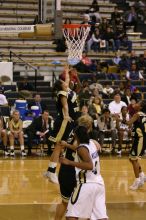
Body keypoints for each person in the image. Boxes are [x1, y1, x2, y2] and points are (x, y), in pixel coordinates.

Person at [60, 126, 108, 220]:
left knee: (71, 215)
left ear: (77, 136)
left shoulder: (82, 148)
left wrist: (69, 162)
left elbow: (90, 166)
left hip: (86, 184)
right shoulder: (92, 143)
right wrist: (67, 145)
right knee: (100, 216)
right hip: (99, 184)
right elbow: (81, 150)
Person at [55, 114, 95, 220]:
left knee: (65, 202)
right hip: (72, 171)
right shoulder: (81, 135)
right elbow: (78, 147)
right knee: (76, 204)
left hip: (64, 170)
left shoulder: (73, 131)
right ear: (89, 125)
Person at [44, 66, 80, 184]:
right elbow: (65, 106)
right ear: (61, 85)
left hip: (69, 122)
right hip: (64, 121)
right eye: (63, 82)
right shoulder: (62, 93)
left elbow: (68, 78)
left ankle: (50, 169)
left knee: (59, 147)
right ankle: (52, 172)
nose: (66, 82)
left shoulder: (67, 89)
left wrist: (66, 69)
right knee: (59, 146)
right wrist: (66, 115)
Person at [126, 100, 146, 190]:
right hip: (140, 139)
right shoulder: (143, 114)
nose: (135, 104)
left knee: (134, 159)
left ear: (140, 107)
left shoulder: (137, 114)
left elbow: (128, 123)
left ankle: (137, 181)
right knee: (131, 158)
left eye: (138, 103)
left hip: (140, 139)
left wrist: (118, 118)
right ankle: (142, 175)